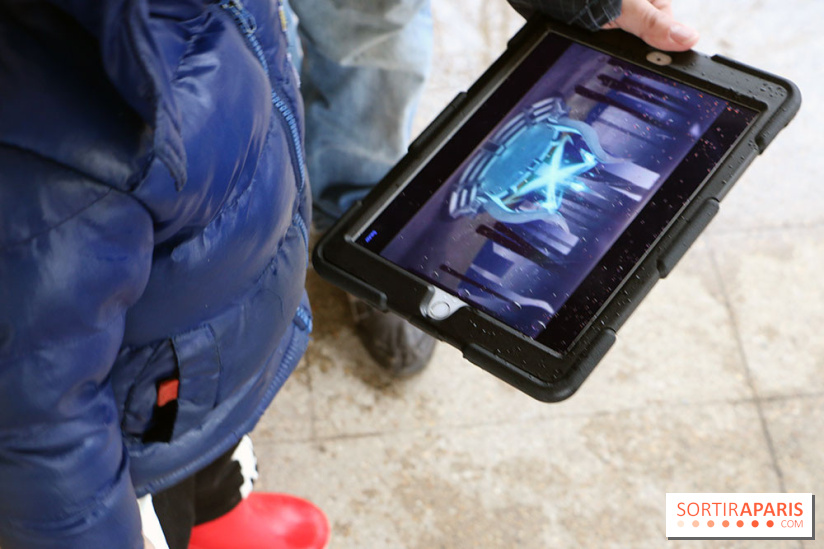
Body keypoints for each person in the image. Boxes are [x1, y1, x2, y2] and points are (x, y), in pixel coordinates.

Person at [0, 1, 697, 548]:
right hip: (131, 416)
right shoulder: (38, 163)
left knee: (217, 409)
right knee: (152, 468)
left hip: (210, 316)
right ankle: (184, 517)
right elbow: (37, 435)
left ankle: (220, 502)